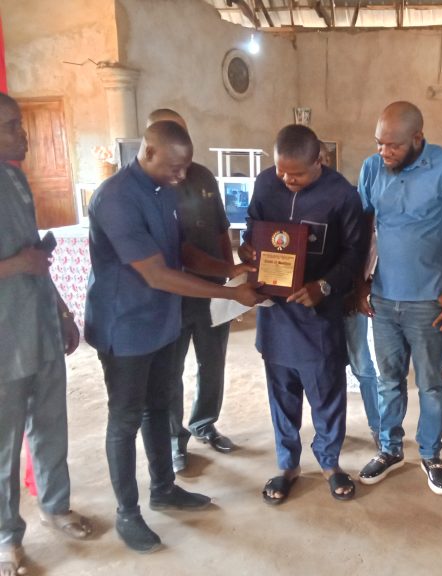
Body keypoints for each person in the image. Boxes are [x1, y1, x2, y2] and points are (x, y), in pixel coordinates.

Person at [86, 121, 260, 553]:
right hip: (124, 326)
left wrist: (230, 269)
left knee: (159, 406)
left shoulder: (164, 192)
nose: (183, 177)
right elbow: (158, 273)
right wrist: (229, 293)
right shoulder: (115, 198)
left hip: (161, 321)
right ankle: (127, 513)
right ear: (147, 153)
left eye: (186, 168)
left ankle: (163, 487)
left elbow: (180, 252)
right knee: (125, 419)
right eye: (175, 167)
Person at [239, 124, 364, 504]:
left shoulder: (342, 195)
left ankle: (329, 463)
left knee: (326, 391)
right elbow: (252, 231)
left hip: (318, 314)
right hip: (275, 313)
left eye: (297, 173)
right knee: (282, 393)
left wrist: (323, 287)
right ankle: (287, 465)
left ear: (320, 160)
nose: (286, 179)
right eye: (281, 171)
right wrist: (249, 253)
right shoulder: (265, 185)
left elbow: (355, 254)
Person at [0, 92, 92, 576]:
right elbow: (24, 258)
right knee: (4, 443)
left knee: (52, 424)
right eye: (12, 125)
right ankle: (5, 538)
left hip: (39, 324)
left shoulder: (15, 178)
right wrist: (15, 264)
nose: (23, 133)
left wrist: (62, 309)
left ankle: (55, 507)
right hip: (4, 340)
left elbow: (39, 255)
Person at [357, 101, 442, 495]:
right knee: (389, 379)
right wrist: (361, 284)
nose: (384, 152)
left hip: (428, 301)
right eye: (379, 144)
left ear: (417, 139)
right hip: (383, 299)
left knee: (430, 383)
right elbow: (365, 228)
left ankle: (431, 453)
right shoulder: (372, 169)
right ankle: (389, 449)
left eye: (393, 146)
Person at [146, 109, 237, 474]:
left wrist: (230, 278)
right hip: (174, 295)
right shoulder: (149, 187)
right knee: (171, 369)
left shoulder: (201, 176)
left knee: (212, 362)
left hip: (212, 287)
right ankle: (174, 439)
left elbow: (219, 229)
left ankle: (205, 423)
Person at [320, 142, 381, 448]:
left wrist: (357, 291)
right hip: (318, 304)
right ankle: (333, 430)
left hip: (347, 299)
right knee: (328, 367)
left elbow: (361, 248)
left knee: (362, 364)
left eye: (323, 159)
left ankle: (379, 428)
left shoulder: (347, 198)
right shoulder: (304, 202)